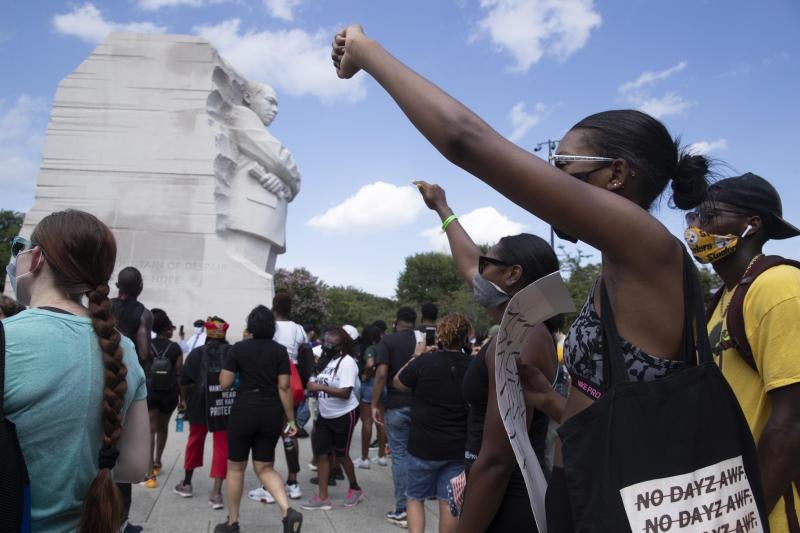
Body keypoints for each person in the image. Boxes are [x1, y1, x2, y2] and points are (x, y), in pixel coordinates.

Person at [332, 28, 722, 529]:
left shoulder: (645, 244)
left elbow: (464, 140)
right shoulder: (624, 266)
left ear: (618, 174)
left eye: (562, 164)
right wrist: (547, 401)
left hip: (620, 503)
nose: (551, 177)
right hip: (589, 492)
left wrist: (367, 52)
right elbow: (619, 412)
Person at [416, 181, 561, 532]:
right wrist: (442, 208)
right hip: (502, 498)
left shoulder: (520, 337)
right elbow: (468, 264)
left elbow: (499, 459)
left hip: (508, 504)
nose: (478, 270)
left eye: (489, 262)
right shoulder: (531, 324)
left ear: (512, 275)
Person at [3, 210, 149, 533]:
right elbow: (136, 467)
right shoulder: (123, 349)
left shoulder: (8, 339)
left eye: (20, 248)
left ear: (36, 257)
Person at [685, 173, 800, 532]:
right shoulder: (725, 298)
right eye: (693, 218)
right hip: (732, 499)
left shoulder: (778, 287)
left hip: (775, 512)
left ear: (752, 224)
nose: (695, 229)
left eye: (708, 216)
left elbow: (793, 421)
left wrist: (751, 516)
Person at [214, 305, 303, 533]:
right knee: (265, 467)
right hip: (271, 412)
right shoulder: (280, 351)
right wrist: (291, 421)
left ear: (250, 326)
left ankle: (233, 522)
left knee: (236, 468)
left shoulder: (238, 349)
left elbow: (224, 383)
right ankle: (287, 511)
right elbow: (284, 387)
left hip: (244, 409)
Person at [394, 313, 473, 533]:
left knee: (415, 498)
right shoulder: (473, 365)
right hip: (457, 446)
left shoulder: (424, 362)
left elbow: (398, 382)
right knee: (449, 502)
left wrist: (416, 356)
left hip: (422, 445)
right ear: (465, 337)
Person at [247, 292, 306, 504]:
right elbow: (303, 352)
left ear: (273, 306)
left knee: (268, 434)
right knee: (290, 431)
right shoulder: (298, 328)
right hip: (293, 381)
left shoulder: (268, 326)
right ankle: (293, 482)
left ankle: (267, 484)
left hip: (271, 381)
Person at [302, 327, 364, 510]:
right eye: (325, 342)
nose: (326, 346)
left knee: (342, 454)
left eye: (330, 344)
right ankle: (323, 498)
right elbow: (315, 381)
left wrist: (319, 388)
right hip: (325, 415)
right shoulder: (327, 361)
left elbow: (345, 393)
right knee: (321, 454)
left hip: (344, 414)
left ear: (341, 346)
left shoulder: (348, 362)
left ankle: (355, 488)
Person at [110, 265, 153, 530]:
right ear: (139, 287)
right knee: (122, 453)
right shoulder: (143, 313)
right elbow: (145, 352)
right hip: (123, 386)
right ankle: (122, 521)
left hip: (98, 378)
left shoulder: (103, 305)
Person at [174, 316, 231, 510]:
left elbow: (184, 380)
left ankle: (187, 483)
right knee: (222, 445)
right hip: (224, 404)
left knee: (195, 441)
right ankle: (216, 493)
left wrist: (183, 401)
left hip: (198, 404)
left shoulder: (197, 353)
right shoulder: (232, 353)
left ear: (207, 334)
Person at [372, 306, 421, 526]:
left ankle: (403, 508)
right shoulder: (423, 341)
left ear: (396, 320)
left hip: (397, 404)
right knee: (419, 455)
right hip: (422, 405)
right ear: (414, 320)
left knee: (399, 456)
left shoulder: (388, 341)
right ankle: (417, 502)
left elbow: (382, 373)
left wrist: (374, 403)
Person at [143, 308, 183, 489]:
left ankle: (150, 472)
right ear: (167, 329)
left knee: (150, 429)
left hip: (150, 392)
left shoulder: (146, 344)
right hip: (169, 393)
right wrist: (183, 398)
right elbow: (179, 375)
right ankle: (158, 462)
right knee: (163, 427)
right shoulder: (175, 348)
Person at [354, 324, 388, 470]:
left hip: (370, 386)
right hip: (384, 386)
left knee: (367, 422)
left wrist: (366, 375)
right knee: (380, 422)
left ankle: (364, 458)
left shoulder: (370, 349)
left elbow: (369, 364)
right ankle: (381, 456)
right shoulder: (383, 347)